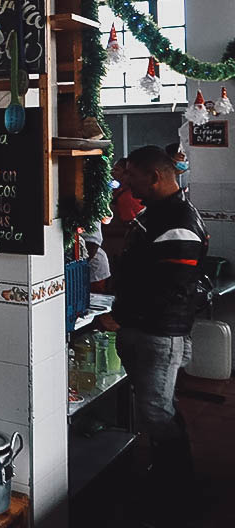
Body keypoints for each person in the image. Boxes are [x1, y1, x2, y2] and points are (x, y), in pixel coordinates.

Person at [100, 145, 208, 525]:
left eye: (132, 175)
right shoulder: (157, 215)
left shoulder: (177, 220)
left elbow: (171, 287)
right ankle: (167, 478)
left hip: (159, 332)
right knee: (158, 408)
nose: (125, 181)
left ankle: (177, 491)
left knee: (157, 412)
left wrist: (124, 315)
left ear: (156, 177)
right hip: (145, 327)